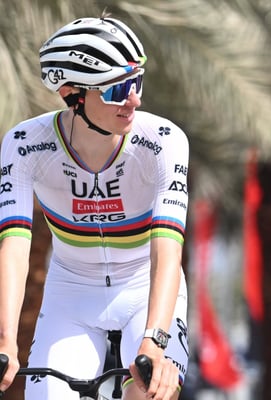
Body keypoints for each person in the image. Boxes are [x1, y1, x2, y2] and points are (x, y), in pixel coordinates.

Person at [0, 15, 189, 400]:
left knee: (151, 392)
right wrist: (6, 341)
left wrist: (155, 340)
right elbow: (14, 248)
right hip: (70, 292)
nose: (134, 100)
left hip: (144, 287)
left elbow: (167, 251)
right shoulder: (25, 144)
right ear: (73, 94)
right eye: (118, 89)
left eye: (136, 82)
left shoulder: (163, 141)